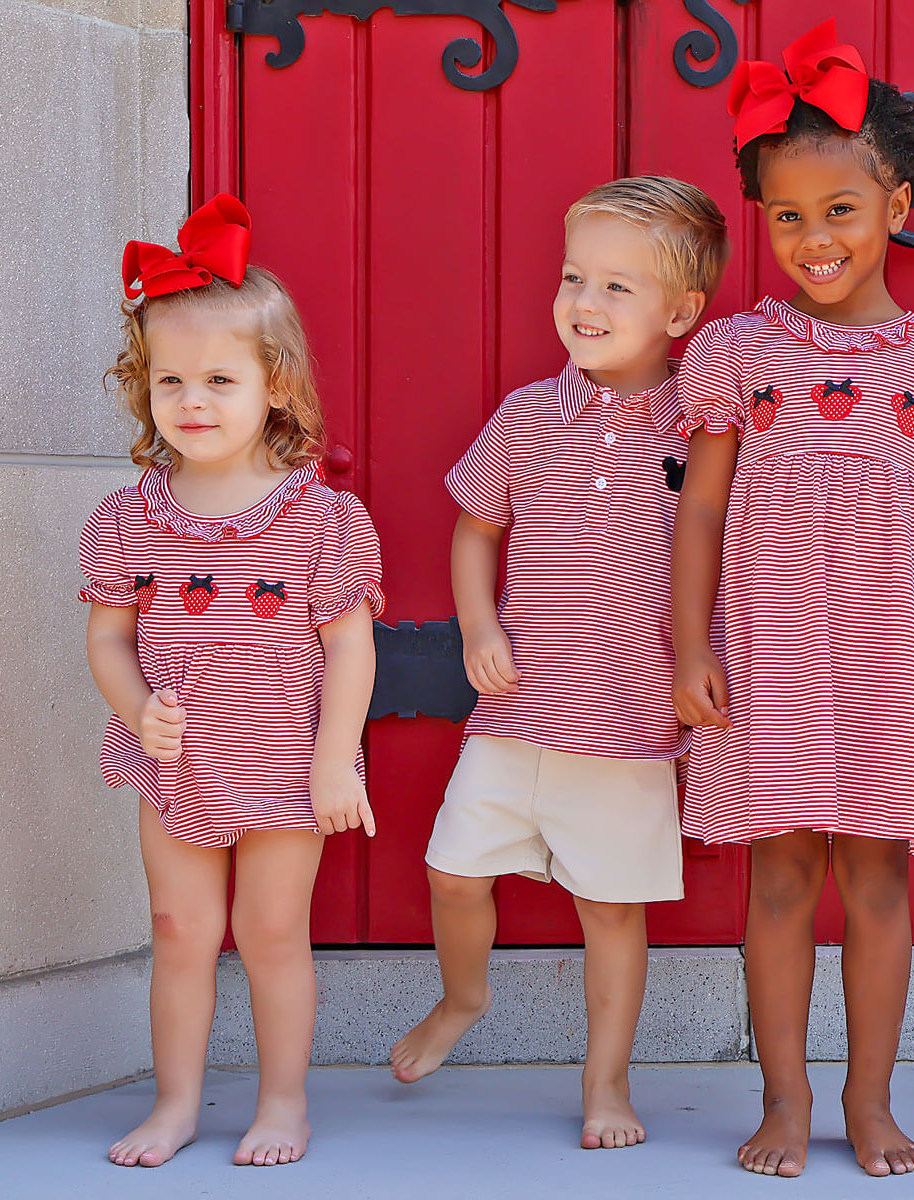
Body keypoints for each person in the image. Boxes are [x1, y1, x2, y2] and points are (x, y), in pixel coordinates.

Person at [672, 22, 914, 1179]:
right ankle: (782, 1100)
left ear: (899, 205)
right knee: (778, 876)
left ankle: (869, 1101)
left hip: (892, 653)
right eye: (788, 217)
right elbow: (702, 512)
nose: (814, 240)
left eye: (840, 211)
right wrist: (687, 645)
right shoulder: (739, 355)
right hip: (768, 646)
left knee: (876, 874)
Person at [390, 176, 729, 1150]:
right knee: (452, 873)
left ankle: (607, 1083)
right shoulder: (530, 416)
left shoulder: (702, 434)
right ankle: (463, 997)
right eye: (575, 276)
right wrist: (478, 628)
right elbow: (472, 529)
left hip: (626, 727)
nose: (584, 301)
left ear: (681, 312)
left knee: (612, 914)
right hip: (518, 712)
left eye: (618, 287)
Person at [80, 194, 384, 1168]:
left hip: (286, 766)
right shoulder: (131, 519)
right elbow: (107, 638)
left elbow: (349, 645)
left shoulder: (319, 520)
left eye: (219, 377)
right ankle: (174, 1105)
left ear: (276, 387)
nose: (192, 401)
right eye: (170, 380)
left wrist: (338, 759)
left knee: (269, 934)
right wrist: (138, 711)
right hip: (177, 766)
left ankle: (282, 1103)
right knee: (179, 928)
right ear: (145, 388)